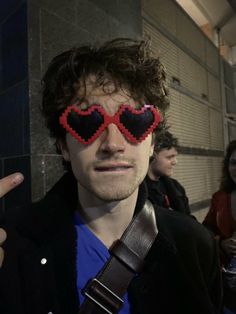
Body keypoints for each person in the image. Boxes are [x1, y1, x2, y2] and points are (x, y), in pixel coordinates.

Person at [0, 38, 222, 314]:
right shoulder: (11, 246)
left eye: (134, 121)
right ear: (63, 145)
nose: (112, 144)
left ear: (152, 141)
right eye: (87, 122)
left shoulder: (195, 245)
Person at [203, 140, 236, 313]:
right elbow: (206, 231)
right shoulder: (220, 198)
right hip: (228, 286)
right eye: (234, 163)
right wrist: (221, 243)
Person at [146, 130, 190, 214]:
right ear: (152, 155)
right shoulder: (138, 193)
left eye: (175, 156)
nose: (175, 162)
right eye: (169, 157)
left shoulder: (177, 188)